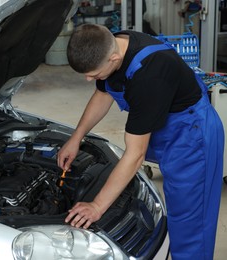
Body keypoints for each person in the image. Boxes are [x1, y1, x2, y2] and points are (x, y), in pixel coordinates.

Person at [57, 23, 224, 260]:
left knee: (190, 224)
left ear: (114, 58)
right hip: (167, 127)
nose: (88, 79)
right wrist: (75, 138)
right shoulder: (111, 45)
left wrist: (96, 207)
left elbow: (135, 155)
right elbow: (102, 94)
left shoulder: (150, 76)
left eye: (93, 74)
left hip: (192, 137)